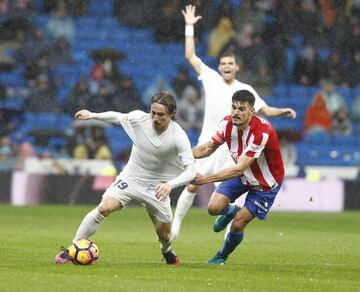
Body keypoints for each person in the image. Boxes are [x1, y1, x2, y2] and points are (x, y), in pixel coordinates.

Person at [172, 4, 296, 239]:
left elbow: (265, 109)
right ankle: (176, 226)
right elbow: (190, 55)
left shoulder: (245, 90)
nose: (227, 67)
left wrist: (283, 112)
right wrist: (189, 26)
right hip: (209, 141)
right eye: (223, 64)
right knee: (191, 184)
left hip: (233, 148)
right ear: (219, 67)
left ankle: (231, 223)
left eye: (230, 64)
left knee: (231, 188)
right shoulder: (210, 78)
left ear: (237, 67)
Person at [54, 92, 196, 265]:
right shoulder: (139, 119)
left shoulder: (178, 137)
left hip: (157, 189)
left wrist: (170, 185)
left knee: (165, 235)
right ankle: (73, 248)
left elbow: (191, 171)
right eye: (153, 113)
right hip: (131, 179)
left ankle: (167, 251)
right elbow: (117, 117)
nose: (155, 118)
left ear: (172, 113)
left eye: (161, 115)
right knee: (104, 207)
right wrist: (92, 115)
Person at [191, 90, 284, 265]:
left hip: (265, 183)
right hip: (243, 176)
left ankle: (221, 255)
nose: (236, 112)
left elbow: (240, 167)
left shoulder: (262, 132)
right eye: (234, 107)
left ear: (252, 111)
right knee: (213, 208)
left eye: (241, 109)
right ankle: (232, 210)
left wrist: (206, 179)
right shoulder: (226, 123)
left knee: (238, 224)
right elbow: (207, 148)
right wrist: (185, 154)